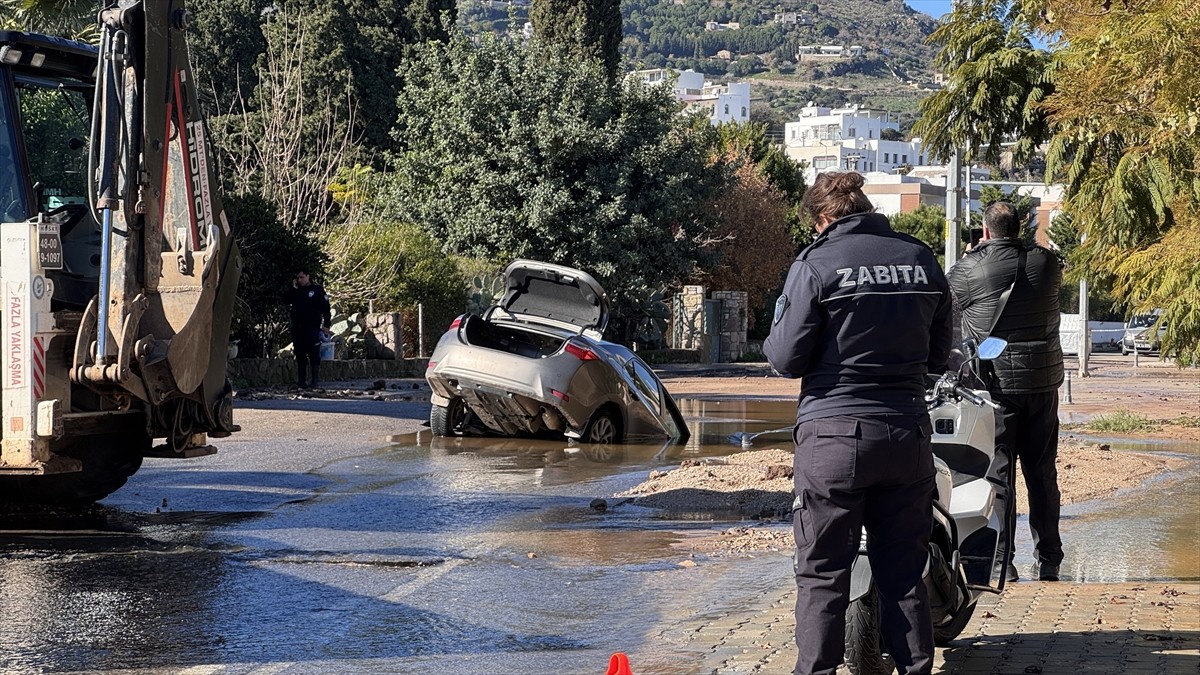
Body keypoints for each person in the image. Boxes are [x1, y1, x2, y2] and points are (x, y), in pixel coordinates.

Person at [764, 171, 952, 675]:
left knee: (824, 575)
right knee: (903, 574)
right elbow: (939, 355)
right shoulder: (920, 259)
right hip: (906, 435)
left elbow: (785, 358)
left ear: (823, 218)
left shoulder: (815, 264)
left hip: (834, 438)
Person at [947, 201, 1064, 583]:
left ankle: (1002, 561)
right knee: (1042, 473)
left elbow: (949, 306)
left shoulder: (968, 269)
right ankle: (1049, 559)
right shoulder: (1047, 264)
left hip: (995, 387)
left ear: (985, 231)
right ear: (1021, 227)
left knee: (999, 475)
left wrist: (974, 255)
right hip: (1043, 383)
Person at [284, 269, 331, 389]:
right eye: (298, 278)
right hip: (297, 328)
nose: (300, 280)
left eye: (302, 277)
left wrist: (326, 324)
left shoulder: (317, 290)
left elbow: (326, 308)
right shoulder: (296, 291)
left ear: (308, 276)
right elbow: (286, 300)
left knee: (313, 353)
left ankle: (314, 381)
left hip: (312, 328)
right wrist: (293, 288)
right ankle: (301, 381)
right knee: (299, 353)